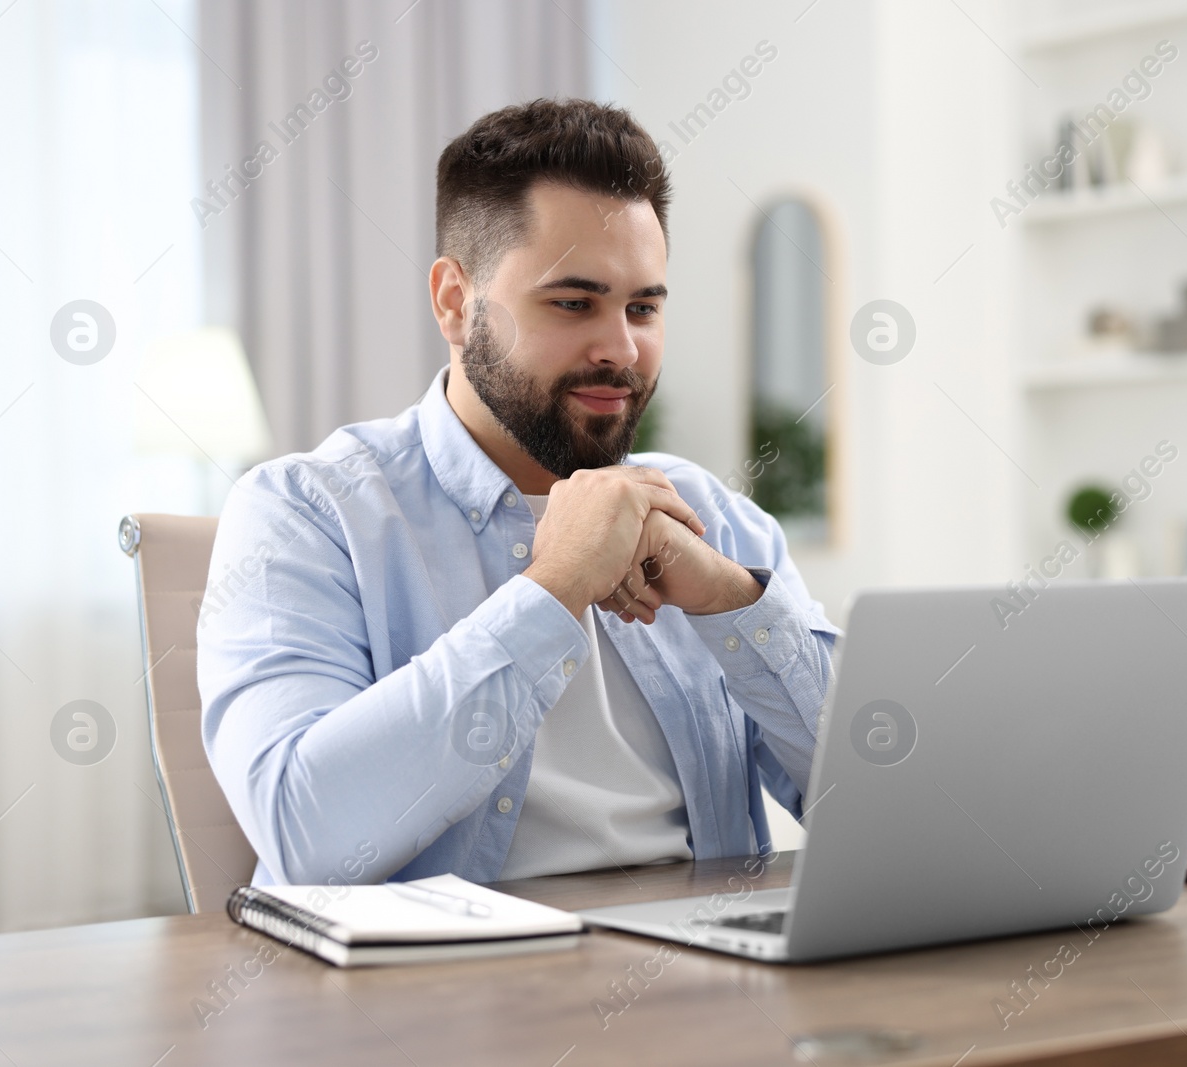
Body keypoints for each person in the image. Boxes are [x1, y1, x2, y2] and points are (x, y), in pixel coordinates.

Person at [198, 97, 839, 888]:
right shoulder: (303, 513)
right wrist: (555, 587)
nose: (621, 348)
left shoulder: (709, 515)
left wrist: (734, 598)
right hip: (435, 995)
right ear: (454, 303)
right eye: (573, 303)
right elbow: (308, 832)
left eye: (643, 307)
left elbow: (895, 807)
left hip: (705, 979)